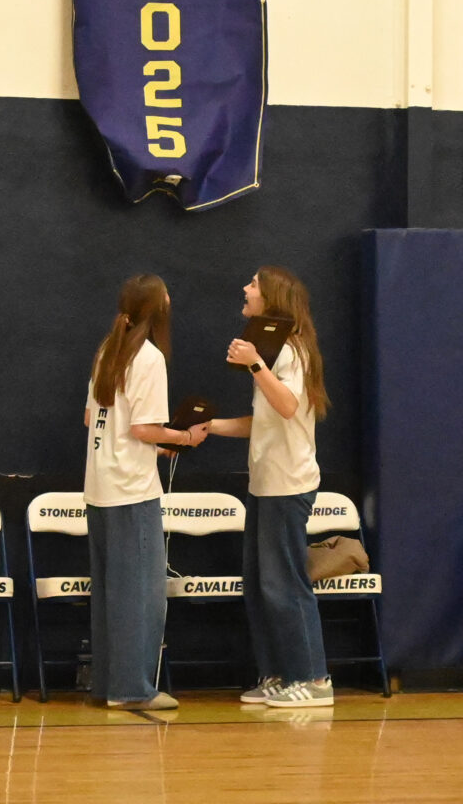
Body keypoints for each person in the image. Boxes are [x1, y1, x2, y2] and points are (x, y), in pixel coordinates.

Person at [209, 266, 333, 707]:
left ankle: (314, 679)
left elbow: (286, 404)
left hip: (288, 485)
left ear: (272, 299)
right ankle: (279, 674)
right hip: (264, 485)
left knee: (286, 584)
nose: (245, 288)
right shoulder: (275, 354)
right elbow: (261, 421)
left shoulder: (292, 350)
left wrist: (255, 364)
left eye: (254, 284)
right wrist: (209, 427)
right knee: (261, 585)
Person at [83, 274, 209, 710]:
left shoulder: (107, 350)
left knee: (108, 593)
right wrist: (182, 437)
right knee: (139, 592)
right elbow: (140, 427)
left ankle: (107, 685)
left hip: (98, 489)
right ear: (158, 308)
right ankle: (133, 687)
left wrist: (153, 446)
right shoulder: (149, 358)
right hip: (131, 492)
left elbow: (94, 420)